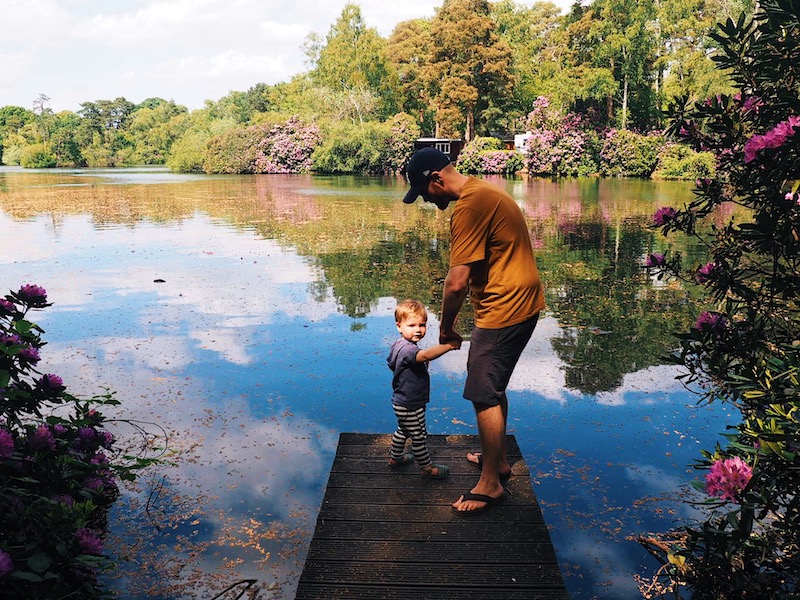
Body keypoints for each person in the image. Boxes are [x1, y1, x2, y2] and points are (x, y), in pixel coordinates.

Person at [402, 147, 545, 516]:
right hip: (522, 301)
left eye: (424, 192)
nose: (428, 201)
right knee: (492, 386)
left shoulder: (469, 206)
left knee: (483, 392)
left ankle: (491, 484)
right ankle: (495, 461)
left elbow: (456, 282)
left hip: (504, 308)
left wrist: (446, 329)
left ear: (436, 178)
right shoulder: (485, 190)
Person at [387, 299, 460, 479]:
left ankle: (395, 458)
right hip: (410, 404)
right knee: (418, 436)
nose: (418, 329)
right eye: (411, 325)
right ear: (399, 326)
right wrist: (448, 346)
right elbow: (425, 355)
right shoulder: (408, 351)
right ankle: (426, 468)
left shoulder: (399, 345)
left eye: (422, 324)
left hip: (402, 401)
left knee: (403, 430)